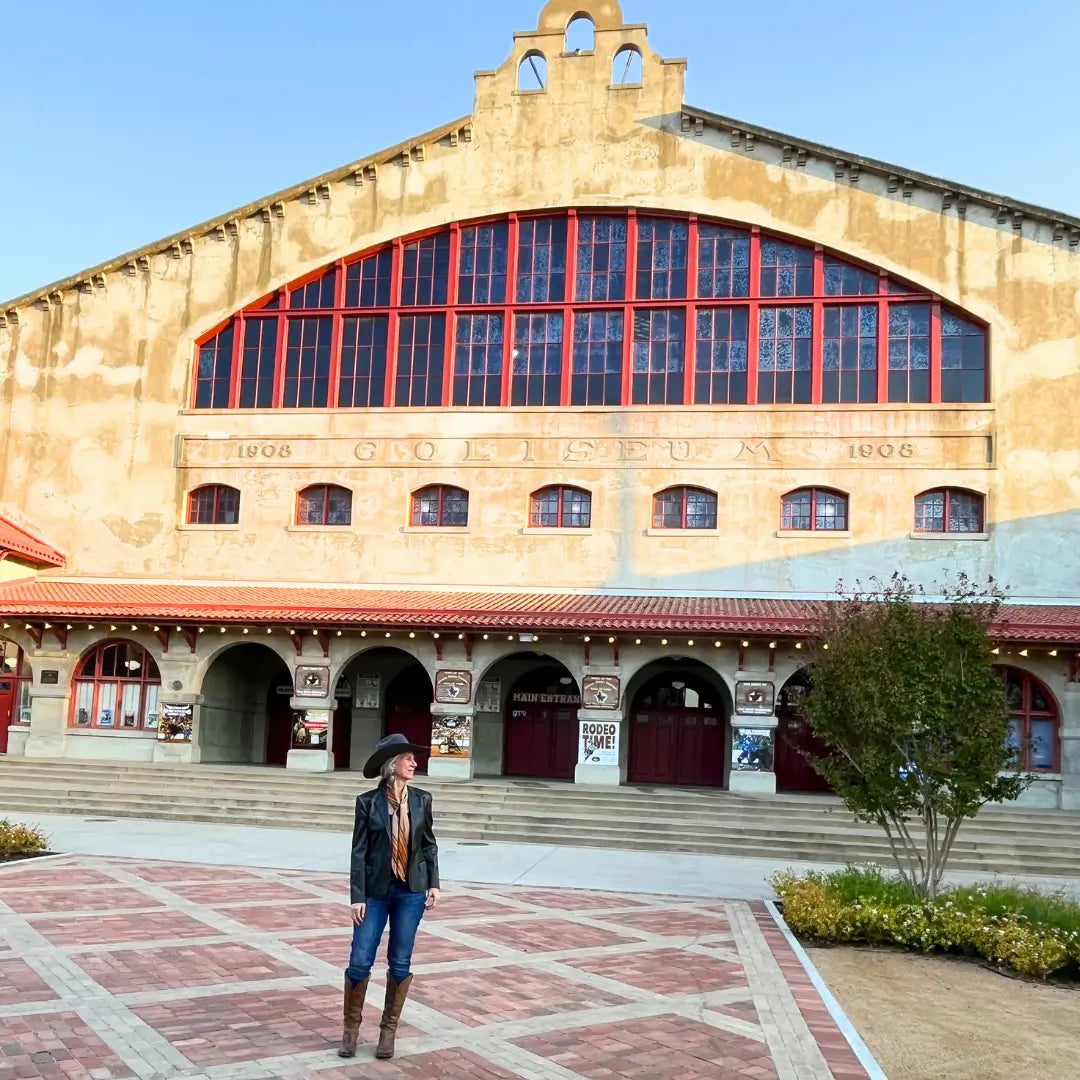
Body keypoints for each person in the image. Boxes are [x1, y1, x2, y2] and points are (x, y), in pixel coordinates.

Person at [339, 733, 440, 1060]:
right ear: (391, 764)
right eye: (407, 758)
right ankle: (351, 1030)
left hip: (410, 891)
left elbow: (428, 844)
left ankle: (388, 1030)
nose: (414, 762)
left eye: (413, 758)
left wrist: (434, 882)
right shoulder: (367, 802)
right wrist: (357, 895)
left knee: (400, 961)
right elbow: (359, 851)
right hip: (375, 892)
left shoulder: (423, 799)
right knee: (360, 959)